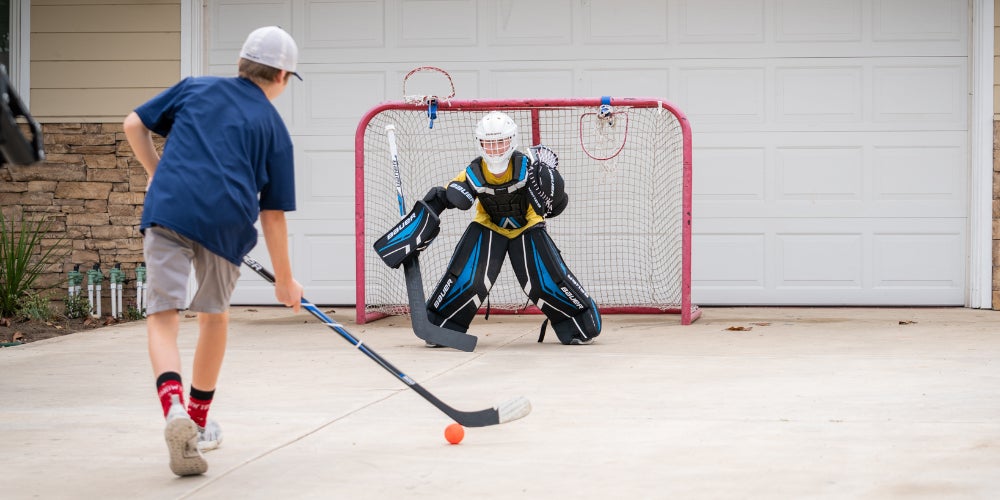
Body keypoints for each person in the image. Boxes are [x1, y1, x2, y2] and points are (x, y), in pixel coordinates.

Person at [123, 25, 304, 477]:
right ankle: (199, 422)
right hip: (226, 224)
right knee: (214, 317)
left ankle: (172, 407)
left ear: (241, 64)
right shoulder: (274, 129)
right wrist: (285, 281)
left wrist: (155, 171)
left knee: (163, 315)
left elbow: (133, 124)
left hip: (169, 208)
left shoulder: (195, 88)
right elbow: (273, 216)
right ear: (281, 76)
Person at [376, 111, 601, 345]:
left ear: (512, 140)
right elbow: (442, 196)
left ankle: (580, 326)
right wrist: (414, 229)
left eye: (501, 142)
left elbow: (556, 205)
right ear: (480, 143)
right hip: (488, 225)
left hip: (527, 225)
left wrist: (553, 192)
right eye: (489, 143)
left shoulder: (528, 167)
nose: (495, 149)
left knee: (545, 282)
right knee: (467, 280)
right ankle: (439, 328)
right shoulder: (473, 172)